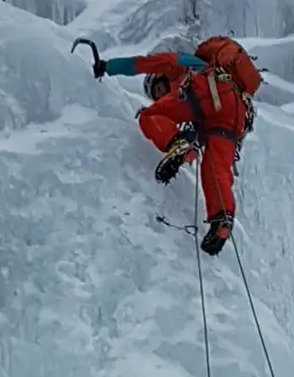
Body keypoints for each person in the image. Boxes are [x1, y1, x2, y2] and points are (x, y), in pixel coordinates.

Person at [93, 38, 261, 256]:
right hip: (235, 113)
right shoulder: (221, 77)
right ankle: (222, 219)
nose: (163, 96)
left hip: (208, 90)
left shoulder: (180, 62)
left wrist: (107, 66)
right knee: (214, 167)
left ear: (161, 77)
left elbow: (142, 63)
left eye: (160, 88)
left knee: (150, 116)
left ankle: (176, 144)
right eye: (158, 96)